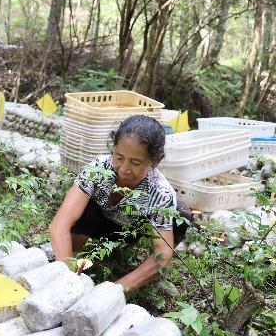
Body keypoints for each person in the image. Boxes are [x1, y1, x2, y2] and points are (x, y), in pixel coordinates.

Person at [49, 114, 191, 292]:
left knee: (181, 213)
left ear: (154, 161)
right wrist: (66, 273)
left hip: (132, 231)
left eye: (136, 162)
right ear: (113, 149)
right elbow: (61, 222)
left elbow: (162, 254)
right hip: (97, 222)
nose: (124, 169)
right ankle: (75, 257)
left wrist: (116, 290)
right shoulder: (98, 170)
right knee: (81, 207)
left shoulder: (160, 193)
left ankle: (152, 275)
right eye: (119, 157)